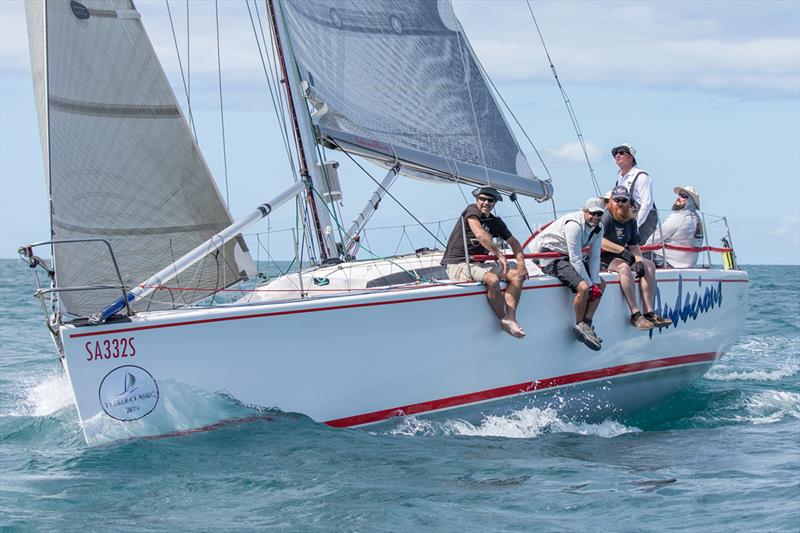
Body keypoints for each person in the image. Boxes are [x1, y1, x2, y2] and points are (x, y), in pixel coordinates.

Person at [441, 186, 529, 339]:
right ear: (477, 200)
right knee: (492, 279)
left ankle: (511, 316)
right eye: (482, 199)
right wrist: (499, 255)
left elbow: (514, 243)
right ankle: (504, 320)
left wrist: (522, 266)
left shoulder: (495, 222)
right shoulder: (471, 211)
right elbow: (480, 234)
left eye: (490, 200)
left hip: (479, 264)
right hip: (459, 263)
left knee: (517, 276)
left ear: (495, 203)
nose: (485, 202)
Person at [532, 197, 606, 351]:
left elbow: (595, 256)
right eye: (593, 213)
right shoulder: (574, 225)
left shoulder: (599, 227)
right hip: (551, 258)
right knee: (584, 288)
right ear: (584, 211)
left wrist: (595, 282)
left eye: (600, 214)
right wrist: (591, 285)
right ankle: (579, 325)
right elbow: (576, 258)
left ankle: (587, 323)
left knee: (602, 283)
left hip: (568, 257)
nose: (596, 217)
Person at [601, 186, 672, 330]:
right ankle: (635, 314)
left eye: (623, 200)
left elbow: (634, 245)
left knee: (649, 265)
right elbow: (599, 241)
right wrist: (622, 251)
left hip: (622, 254)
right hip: (603, 256)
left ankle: (648, 312)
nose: (620, 203)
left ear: (628, 202)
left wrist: (639, 260)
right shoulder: (606, 216)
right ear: (611, 202)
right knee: (624, 268)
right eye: (616, 200)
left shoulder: (630, 219)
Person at [612, 143, 658, 244]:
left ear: (631, 157)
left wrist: (635, 225)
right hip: (626, 220)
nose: (617, 155)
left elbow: (647, 203)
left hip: (643, 222)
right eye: (615, 154)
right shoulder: (619, 178)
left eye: (621, 152)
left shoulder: (641, 176)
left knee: (639, 251)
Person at [650, 186, 704, 268]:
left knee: (636, 256)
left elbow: (654, 239)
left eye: (684, 196)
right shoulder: (697, 219)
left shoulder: (679, 217)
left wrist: (639, 248)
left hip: (671, 262)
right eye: (679, 195)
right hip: (689, 263)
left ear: (690, 201)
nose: (679, 198)